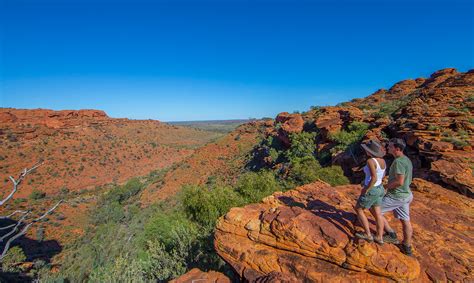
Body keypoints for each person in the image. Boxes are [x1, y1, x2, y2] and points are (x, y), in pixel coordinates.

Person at [381, 138, 414, 256]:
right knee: (405, 220)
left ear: (397, 149)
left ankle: (390, 234)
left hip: (397, 195)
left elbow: (400, 181)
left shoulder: (398, 162)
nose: (387, 148)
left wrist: (385, 186)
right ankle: (407, 246)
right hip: (406, 194)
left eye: (390, 147)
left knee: (375, 209)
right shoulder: (406, 160)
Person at [354, 139, 386, 244]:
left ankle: (368, 234)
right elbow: (382, 175)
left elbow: (374, 177)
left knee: (359, 209)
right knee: (378, 213)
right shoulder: (382, 161)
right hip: (380, 188)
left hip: (372, 188)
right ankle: (379, 237)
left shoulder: (370, 161)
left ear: (369, 151)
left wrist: (366, 189)